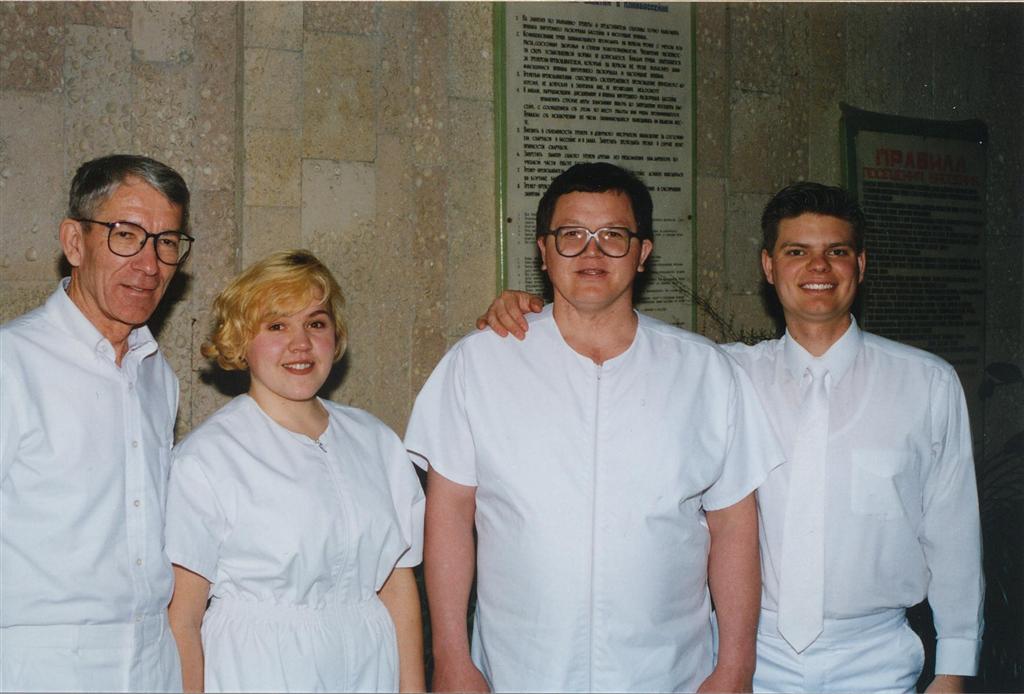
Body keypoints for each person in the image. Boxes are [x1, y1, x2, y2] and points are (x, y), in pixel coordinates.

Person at [479, 181, 984, 693]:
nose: (818, 268)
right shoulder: (724, 373)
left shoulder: (926, 384)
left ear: (861, 265)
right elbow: (628, 342)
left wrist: (954, 669)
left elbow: (954, 534)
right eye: (796, 252)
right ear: (769, 267)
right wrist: (532, 310)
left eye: (837, 252)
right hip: (748, 658)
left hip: (878, 657)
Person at [406, 162, 782, 692]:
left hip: (666, 670)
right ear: (543, 250)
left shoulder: (705, 372)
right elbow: (449, 514)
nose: (591, 252)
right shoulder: (481, 363)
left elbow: (734, 526)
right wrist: (450, 657)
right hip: (520, 667)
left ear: (643, 253)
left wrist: (736, 667)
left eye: (613, 236)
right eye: (572, 236)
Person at [164, 250, 425, 693]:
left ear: (335, 337)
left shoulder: (376, 441)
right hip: (262, 671)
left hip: (369, 667)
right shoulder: (208, 457)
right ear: (241, 341)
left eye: (316, 324)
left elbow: (397, 586)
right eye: (277, 325)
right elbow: (182, 619)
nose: (300, 344)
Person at [0, 155, 192, 692]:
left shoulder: (159, 377)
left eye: (167, 241)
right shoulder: (11, 363)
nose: (150, 264)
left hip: (152, 660)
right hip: (40, 662)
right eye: (126, 235)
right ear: (74, 242)